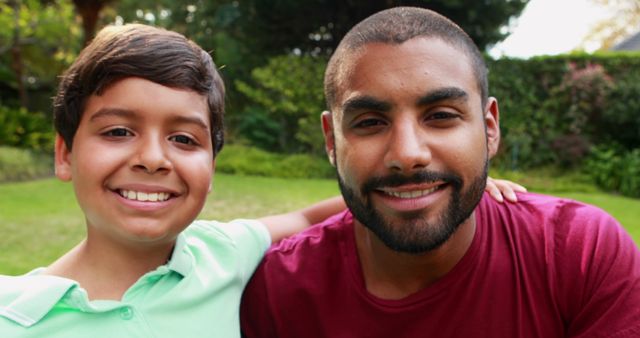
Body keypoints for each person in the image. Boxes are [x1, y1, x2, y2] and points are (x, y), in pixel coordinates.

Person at [0, 23, 522, 338]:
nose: (154, 159)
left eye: (185, 139)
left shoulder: (222, 252)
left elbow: (311, 216)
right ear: (65, 153)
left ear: (213, 162)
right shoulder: (14, 315)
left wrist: (451, 186)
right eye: (118, 131)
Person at [240, 7, 640, 338]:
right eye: (370, 122)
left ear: (489, 128)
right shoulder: (280, 291)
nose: (408, 154)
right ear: (331, 141)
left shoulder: (579, 255)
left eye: (441, 116)